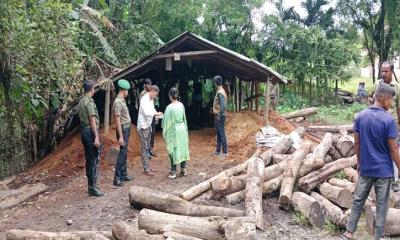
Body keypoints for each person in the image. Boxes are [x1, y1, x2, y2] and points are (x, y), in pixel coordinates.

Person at [342, 83, 400, 240]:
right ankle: (378, 236)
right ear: (385, 99)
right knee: (382, 205)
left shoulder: (360, 116)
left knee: (358, 199)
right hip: (383, 170)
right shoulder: (389, 120)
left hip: (366, 168)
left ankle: (349, 232)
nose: (392, 104)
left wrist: (360, 162)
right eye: (391, 101)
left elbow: (356, 143)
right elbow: (394, 149)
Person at [371, 61, 400, 192]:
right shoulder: (377, 84)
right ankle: (376, 178)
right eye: (382, 71)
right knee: (377, 149)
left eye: (386, 71)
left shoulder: (398, 88)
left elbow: (399, 109)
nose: (383, 73)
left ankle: (395, 180)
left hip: (392, 125)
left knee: (393, 151)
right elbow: (371, 101)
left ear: (391, 71)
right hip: (376, 125)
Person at [77, 80, 104, 197]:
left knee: (89, 159)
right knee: (93, 159)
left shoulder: (81, 101)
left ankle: (91, 185)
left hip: (84, 131)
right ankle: (93, 187)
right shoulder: (89, 102)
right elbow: (92, 120)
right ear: (92, 89)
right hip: (90, 131)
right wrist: (96, 137)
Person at [162, 88, 190, 179]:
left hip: (174, 129)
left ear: (170, 96)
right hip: (182, 127)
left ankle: (173, 172)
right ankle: (184, 169)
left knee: (173, 149)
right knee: (182, 147)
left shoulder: (169, 108)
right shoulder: (181, 105)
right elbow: (184, 118)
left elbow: (166, 122)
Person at [137, 85, 163, 175]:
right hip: (143, 126)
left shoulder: (151, 99)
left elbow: (152, 110)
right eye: (155, 94)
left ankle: (147, 167)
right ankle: (146, 168)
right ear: (151, 91)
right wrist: (155, 115)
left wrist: (157, 113)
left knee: (147, 147)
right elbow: (146, 112)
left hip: (148, 126)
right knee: (144, 148)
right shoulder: (144, 99)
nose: (155, 96)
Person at [112, 79, 134, 187]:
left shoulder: (122, 101)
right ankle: (117, 178)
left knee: (124, 153)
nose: (128, 93)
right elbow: (117, 121)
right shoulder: (118, 102)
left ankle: (124, 174)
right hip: (123, 130)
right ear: (124, 91)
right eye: (127, 91)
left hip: (126, 129)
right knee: (122, 153)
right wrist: (120, 136)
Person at [140, 78, 157, 157]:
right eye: (148, 85)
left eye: (151, 85)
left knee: (152, 133)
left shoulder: (151, 93)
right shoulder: (142, 94)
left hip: (151, 116)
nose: (150, 86)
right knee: (146, 135)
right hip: (146, 117)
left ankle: (150, 149)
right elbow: (142, 108)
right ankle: (146, 151)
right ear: (145, 85)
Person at [211, 75, 228, 157]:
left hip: (220, 116)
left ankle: (224, 152)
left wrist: (219, 115)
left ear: (215, 83)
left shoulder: (220, 92)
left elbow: (223, 106)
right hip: (218, 115)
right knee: (219, 133)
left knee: (221, 133)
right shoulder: (220, 91)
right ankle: (218, 151)